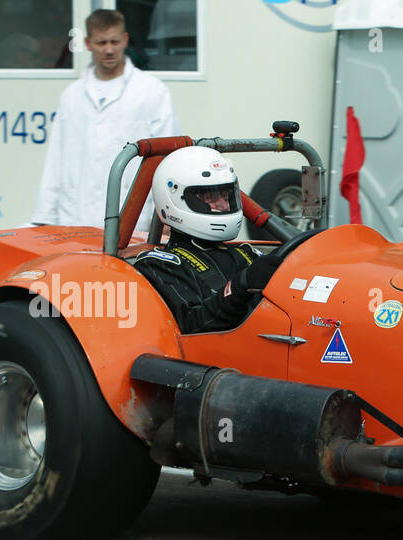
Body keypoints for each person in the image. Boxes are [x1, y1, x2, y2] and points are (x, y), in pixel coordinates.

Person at [30, 8, 178, 230]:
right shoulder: (71, 96)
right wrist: (45, 216)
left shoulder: (152, 91)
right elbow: (56, 160)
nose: (109, 50)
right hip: (76, 219)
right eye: (101, 43)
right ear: (88, 43)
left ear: (125, 40)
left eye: (114, 41)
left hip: (132, 220)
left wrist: (166, 217)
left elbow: (166, 158)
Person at [131, 147, 290, 335]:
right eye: (210, 197)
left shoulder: (245, 253)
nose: (223, 204)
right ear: (175, 198)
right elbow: (192, 327)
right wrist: (240, 286)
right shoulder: (159, 265)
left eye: (225, 194)